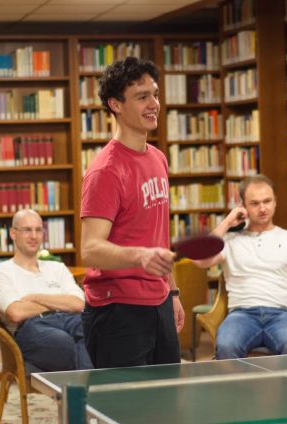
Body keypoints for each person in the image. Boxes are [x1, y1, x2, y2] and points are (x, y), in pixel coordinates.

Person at [80, 56, 184, 368]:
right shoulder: (106, 171)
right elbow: (90, 249)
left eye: (155, 94)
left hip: (159, 300)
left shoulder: (158, 159)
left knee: (168, 394)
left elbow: (158, 238)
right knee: (126, 400)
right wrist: (140, 256)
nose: (154, 104)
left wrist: (173, 292)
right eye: (141, 97)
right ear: (115, 105)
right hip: (117, 310)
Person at [194, 175, 287, 359]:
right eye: (255, 203)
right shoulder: (229, 241)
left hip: (283, 314)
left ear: (275, 202)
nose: (262, 208)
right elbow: (200, 259)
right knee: (226, 346)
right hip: (241, 314)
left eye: (267, 201)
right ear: (243, 207)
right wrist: (227, 223)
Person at [0, 209, 92, 371]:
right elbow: (16, 312)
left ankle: (84, 385)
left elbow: (79, 304)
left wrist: (34, 297)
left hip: (68, 319)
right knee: (64, 343)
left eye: (38, 230)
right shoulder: (1, 272)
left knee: (92, 327)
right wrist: (60, 302)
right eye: (27, 230)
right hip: (31, 327)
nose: (34, 236)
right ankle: (86, 384)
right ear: (13, 233)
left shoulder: (57, 268)